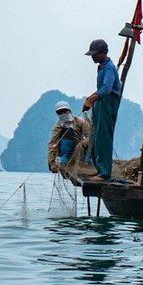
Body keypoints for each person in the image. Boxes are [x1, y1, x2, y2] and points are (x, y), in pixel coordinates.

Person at [82, 39, 121, 181]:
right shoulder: (102, 66)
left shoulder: (109, 68)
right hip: (100, 104)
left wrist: (91, 99)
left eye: (94, 54)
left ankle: (105, 173)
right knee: (96, 136)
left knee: (104, 138)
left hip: (108, 104)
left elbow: (106, 88)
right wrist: (91, 98)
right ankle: (99, 169)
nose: (92, 57)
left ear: (102, 53)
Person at [47, 101, 90, 174]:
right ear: (58, 114)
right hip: (65, 154)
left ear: (70, 111)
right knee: (67, 134)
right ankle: (65, 159)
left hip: (79, 151)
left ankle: (86, 160)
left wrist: (82, 144)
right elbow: (52, 144)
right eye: (60, 112)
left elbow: (91, 136)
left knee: (88, 146)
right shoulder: (58, 127)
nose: (63, 114)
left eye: (65, 111)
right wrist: (52, 163)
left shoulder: (80, 121)